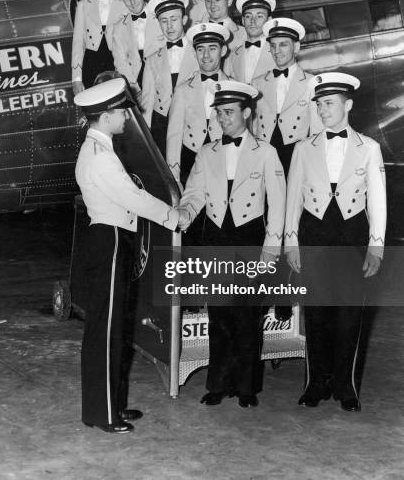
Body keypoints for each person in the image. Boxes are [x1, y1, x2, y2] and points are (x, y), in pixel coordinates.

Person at [74, 78, 184, 434]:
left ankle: (111, 405)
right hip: (111, 241)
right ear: (105, 116)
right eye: (121, 112)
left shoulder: (99, 149)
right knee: (105, 332)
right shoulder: (101, 158)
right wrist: (173, 215)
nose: (126, 118)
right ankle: (102, 413)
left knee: (113, 328)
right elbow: (133, 199)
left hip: (111, 239)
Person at [178, 81, 286, 407]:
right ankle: (217, 384)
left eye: (228, 112)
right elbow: (194, 193)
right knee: (219, 316)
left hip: (249, 238)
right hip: (216, 239)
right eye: (219, 113)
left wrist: (270, 252)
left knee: (247, 318)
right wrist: (183, 214)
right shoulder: (207, 151)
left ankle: (247, 388)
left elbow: (278, 207)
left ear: (247, 113)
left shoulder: (266, 153)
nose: (222, 118)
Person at [285, 72, 386, 412]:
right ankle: (315, 383)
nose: (322, 110)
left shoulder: (369, 148)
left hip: (352, 235)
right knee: (316, 313)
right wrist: (291, 241)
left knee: (348, 315)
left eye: (329, 103)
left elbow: (378, 202)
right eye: (319, 104)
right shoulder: (303, 147)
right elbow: (292, 199)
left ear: (349, 105)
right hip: (314, 233)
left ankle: (346, 387)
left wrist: (376, 246)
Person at [253, 18, 322, 322]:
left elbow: (318, 133)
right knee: (267, 222)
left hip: (294, 156)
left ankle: (283, 297)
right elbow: (253, 129)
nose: (278, 51)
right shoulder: (258, 83)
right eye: (273, 46)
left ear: (296, 47)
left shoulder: (311, 83)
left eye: (284, 45)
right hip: (267, 158)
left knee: (291, 223)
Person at [166, 22, 233, 186]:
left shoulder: (235, 88)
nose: (206, 55)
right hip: (191, 160)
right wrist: (174, 176)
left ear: (223, 51)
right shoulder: (182, 90)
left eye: (212, 48)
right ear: (194, 53)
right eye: (200, 49)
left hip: (225, 160)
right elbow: (174, 135)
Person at [140, 0, 197, 154]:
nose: (169, 26)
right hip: (162, 124)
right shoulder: (151, 59)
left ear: (185, 20)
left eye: (174, 19)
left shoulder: (200, 52)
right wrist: (147, 138)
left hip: (192, 121)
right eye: (164, 21)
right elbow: (147, 100)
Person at [71, 0, 125, 94]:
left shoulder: (126, 1)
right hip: (92, 64)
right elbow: (78, 43)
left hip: (119, 63)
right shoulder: (83, 4)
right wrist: (76, 79)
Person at [109, 0, 161, 92]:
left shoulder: (161, 17)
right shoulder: (118, 28)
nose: (132, 2)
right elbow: (120, 63)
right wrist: (134, 88)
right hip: (138, 81)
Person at [196, 0, 247, 80]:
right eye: (208, 0)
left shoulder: (244, 35)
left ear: (229, 1)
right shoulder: (195, 32)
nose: (212, 5)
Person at [235, 0, 277, 84]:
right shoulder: (233, 54)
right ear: (242, 20)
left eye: (259, 16)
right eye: (248, 16)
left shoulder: (279, 52)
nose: (253, 21)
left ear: (269, 20)